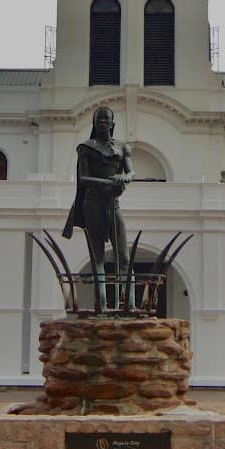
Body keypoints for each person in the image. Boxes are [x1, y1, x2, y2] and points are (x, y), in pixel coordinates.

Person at [61, 106, 133, 311]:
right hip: (92, 204)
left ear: (113, 123)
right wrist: (108, 183)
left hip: (113, 204)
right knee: (97, 255)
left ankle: (129, 304)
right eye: (99, 120)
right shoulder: (86, 147)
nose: (103, 123)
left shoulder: (122, 147)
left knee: (124, 256)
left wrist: (125, 177)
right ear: (94, 123)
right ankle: (101, 303)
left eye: (106, 119)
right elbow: (83, 178)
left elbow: (131, 170)